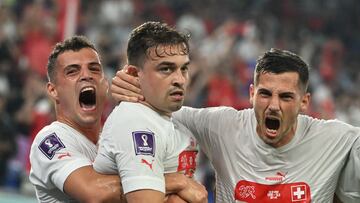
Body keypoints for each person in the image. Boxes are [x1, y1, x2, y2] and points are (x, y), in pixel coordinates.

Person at [111, 48, 360, 203]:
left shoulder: (337, 139)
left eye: (285, 97)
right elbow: (160, 106)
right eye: (265, 94)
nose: (273, 105)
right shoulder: (222, 126)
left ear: (304, 102)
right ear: (251, 94)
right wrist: (133, 84)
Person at [29, 35, 202, 203]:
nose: (86, 75)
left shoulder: (119, 132)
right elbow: (95, 192)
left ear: (105, 84)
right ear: (53, 90)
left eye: (94, 69)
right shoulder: (50, 139)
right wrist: (177, 181)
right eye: (72, 71)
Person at [93, 21, 208, 203]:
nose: (179, 79)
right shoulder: (135, 121)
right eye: (166, 69)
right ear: (133, 73)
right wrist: (180, 183)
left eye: (184, 68)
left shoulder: (177, 119)